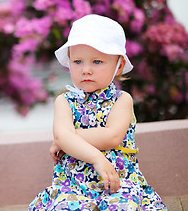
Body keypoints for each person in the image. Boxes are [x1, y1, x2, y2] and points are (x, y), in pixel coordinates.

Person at [28, 14, 167, 210]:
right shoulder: (64, 101)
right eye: (77, 62)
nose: (86, 70)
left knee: (123, 206)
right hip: (72, 186)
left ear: (118, 66)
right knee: (64, 206)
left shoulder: (121, 100)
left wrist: (66, 139)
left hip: (117, 182)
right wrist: (96, 157)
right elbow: (61, 134)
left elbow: (111, 136)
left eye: (97, 62)